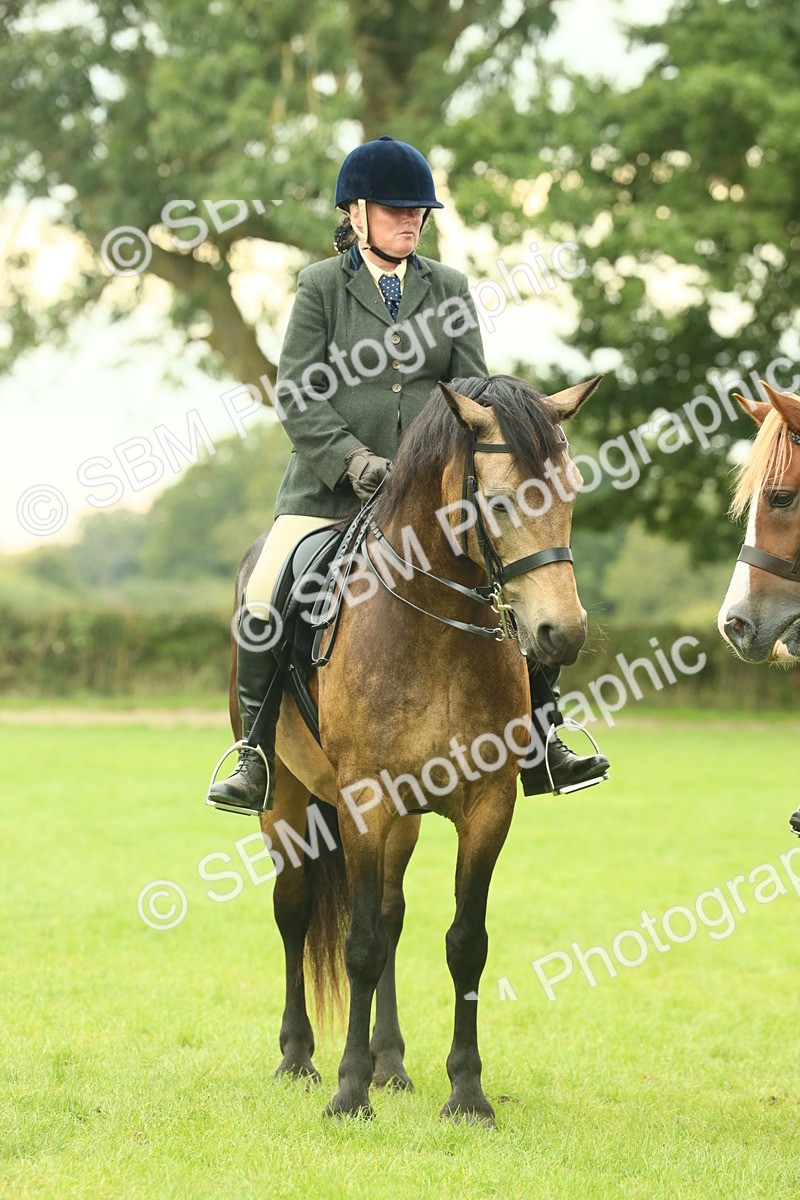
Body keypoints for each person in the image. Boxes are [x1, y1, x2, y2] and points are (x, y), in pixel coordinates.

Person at [206, 135, 609, 815]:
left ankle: (544, 737)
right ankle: (254, 754)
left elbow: (474, 393)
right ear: (356, 213)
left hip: (431, 502)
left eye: (418, 210)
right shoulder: (320, 287)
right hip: (329, 494)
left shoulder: (448, 288)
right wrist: (350, 458)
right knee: (264, 594)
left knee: (523, 576)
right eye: (396, 209)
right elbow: (298, 392)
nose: (410, 219)